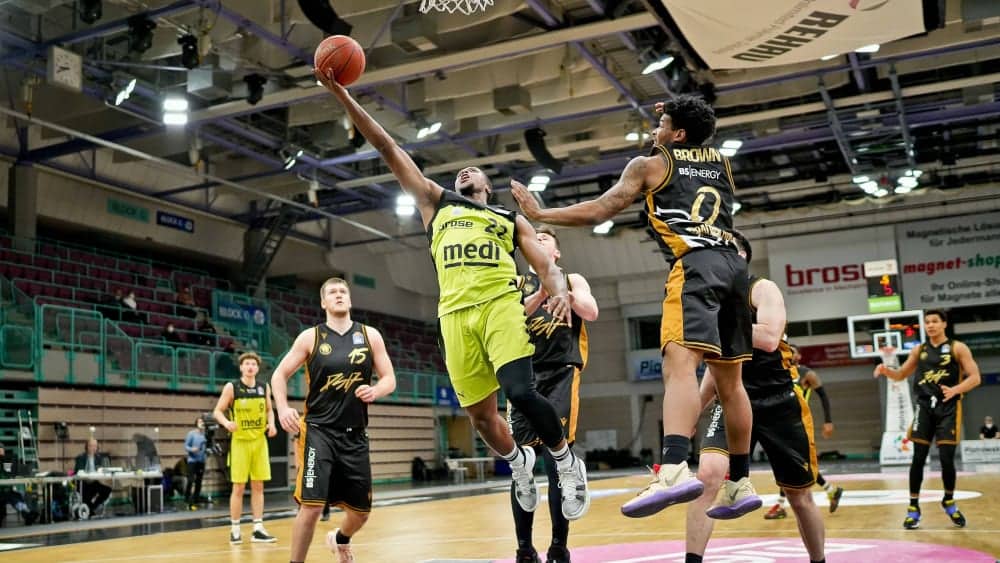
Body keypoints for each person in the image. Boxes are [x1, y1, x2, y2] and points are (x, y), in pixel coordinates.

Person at [317, 70, 590, 529]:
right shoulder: (435, 202)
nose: (465, 171)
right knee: (481, 419)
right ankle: (520, 462)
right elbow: (387, 146)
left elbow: (546, 266)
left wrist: (560, 291)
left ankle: (565, 461)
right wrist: (343, 95)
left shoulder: (508, 219)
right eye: (460, 171)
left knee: (521, 393)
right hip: (454, 317)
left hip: (500, 306)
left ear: (486, 186)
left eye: (474, 170)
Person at [511, 95, 759, 519]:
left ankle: (674, 469)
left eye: (661, 125)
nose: (654, 131)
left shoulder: (649, 164)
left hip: (695, 266)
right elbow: (692, 135)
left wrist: (540, 211)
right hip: (734, 268)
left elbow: (600, 210)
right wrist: (677, 108)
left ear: (678, 134)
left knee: (679, 367)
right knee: (730, 384)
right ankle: (740, 482)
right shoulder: (721, 163)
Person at [685, 235, 825, 563]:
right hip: (732, 400)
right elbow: (714, 369)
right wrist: (692, 414)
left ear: (741, 256)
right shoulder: (710, 303)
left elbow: (770, 338)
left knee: (799, 496)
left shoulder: (762, 289)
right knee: (706, 479)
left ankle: (818, 560)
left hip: (778, 402)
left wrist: (721, 325)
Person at [271, 277, 397, 563]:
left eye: (343, 291)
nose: (339, 295)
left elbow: (389, 378)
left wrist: (376, 390)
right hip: (318, 431)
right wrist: (282, 408)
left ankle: (340, 539)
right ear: (323, 302)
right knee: (312, 506)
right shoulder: (310, 337)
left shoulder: (370, 336)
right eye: (332, 292)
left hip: (355, 434)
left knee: (361, 513)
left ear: (349, 300)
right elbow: (279, 375)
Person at [510, 226, 599, 563]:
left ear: (556, 252)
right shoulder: (517, 282)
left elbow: (591, 311)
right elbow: (512, 317)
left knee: (555, 461)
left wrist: (565, 294)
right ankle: (524, 548)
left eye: (545, 238)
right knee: (522, 464)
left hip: (562, 372)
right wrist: (542, 293)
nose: (539, 240)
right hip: (525, 375)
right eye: (534, 238)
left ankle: (559, 546)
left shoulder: (572, 278)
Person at [874, 309, 981, 529]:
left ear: (944, 324)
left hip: (948, 408)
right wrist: (886, 370)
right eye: (927, 322)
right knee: (918, 458)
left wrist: (955, 390)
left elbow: (975, 377)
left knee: (946, 459)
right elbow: (901, 375)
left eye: (934, 321)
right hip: (924, 408)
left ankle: (948, 500)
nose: (930, 325)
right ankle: (913, 507)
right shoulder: (919, 350)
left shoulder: (957, 348)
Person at [764, 345, 844, 519]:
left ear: (799, 356)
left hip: (799, 422)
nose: (789, 353)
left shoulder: (807, 373)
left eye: (793, 351)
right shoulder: (780, 371)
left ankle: (780, 505)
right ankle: (831, 490)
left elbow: (823, 396)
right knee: (791, 463)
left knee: (792, 463)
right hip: (780, 423)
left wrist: (828, 421)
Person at [213, 351, 278, 545]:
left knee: (258, 486)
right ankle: (235, 529)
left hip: (259, 442)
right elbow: (217, 411)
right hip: (240, 442)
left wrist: (272, 424)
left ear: (257, 368)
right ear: (241, 367)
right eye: (247, 364)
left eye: (253, 364)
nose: (250, 367)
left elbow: (269, 410)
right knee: (239, 487)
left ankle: (258, 529)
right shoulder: (232, 387)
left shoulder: (264, 387)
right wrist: (226, 423)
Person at [73, 438, 112, 517]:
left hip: (94, 481)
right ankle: (89, 510)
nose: (93, 448)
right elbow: (78, 471)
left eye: (95, 446)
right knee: (86, 492)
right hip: (83, 482)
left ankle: (92, 507)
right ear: (87, 447)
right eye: (91, 446)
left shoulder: (99, 458)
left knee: (107, 490)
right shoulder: (81, 457)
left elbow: (101, 469)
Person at [0, 445, 38, 526]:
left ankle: (27, 513)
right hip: (2, 491)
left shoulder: (5, 461)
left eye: (2, 449)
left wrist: (12, 476)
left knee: (17, 495)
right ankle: (27, 513)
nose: (2, 451)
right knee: (11, 496)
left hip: (5, 490)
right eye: (1, 449)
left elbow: (8, 473)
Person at [184, 417, 207, 506]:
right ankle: (187, 498)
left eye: (203, 422)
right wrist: (192, 449)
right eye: (200, 421)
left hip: (201, 460)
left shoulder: (205, 435)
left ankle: (196, 498)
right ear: (196, 424)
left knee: (199, 481)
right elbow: (186, 446)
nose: (202, 423)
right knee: (190, 480)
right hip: (192, 460)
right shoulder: (191, 434)